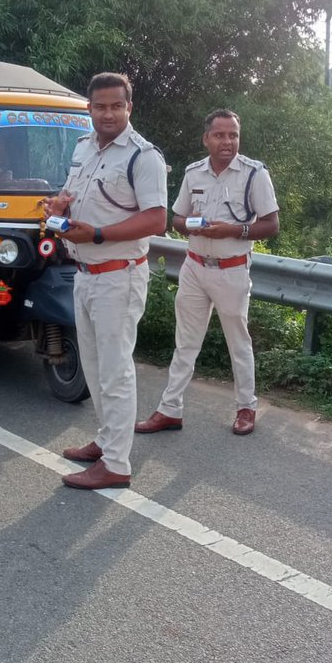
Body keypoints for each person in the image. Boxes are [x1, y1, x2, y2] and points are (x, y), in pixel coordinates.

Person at [45, 72, 168, 490]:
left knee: (116, 371)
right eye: (100, 106)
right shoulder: (84, 148)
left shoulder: (142, 156)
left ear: (129, 108)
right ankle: (105, 439)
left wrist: (97, 234)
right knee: (95, 367)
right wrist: (57, 206)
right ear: (89, 108)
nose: (109, 113)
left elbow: (156, 219)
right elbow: (73, 195)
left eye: (117, 105)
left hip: (118, 276)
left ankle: (116, 464)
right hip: (83, 274)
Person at [136, 108, 279, 438]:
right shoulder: (194, 172)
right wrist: (191, 226)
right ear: (206, 139)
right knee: (185, 342)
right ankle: (169, 410)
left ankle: (246, 407)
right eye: (220, 135)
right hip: (195, 267)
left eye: (233, 135)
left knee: (238, 342)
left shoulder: (255, 174)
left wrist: (233, 230)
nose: (227, 141)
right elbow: (176, 219)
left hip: (231, 271)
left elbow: (271, 224)